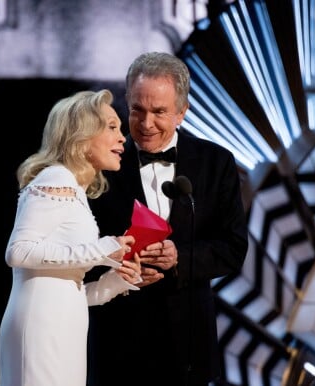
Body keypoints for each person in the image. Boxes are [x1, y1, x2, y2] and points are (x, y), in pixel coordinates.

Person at [85, 52, 249, 386]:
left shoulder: (215, 162)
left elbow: (232, 247)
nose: (146, 124)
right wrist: (117, 263)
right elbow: (79, 250)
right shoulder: (97, 166)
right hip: (118, 344)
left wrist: (181, 259)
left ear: (182, 112)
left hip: (188, 347)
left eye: (159, 112)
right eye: (137, 110)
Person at [0, 89, 143, 386]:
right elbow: (18, 252)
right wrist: (104, 249)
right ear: (82, 134)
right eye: (112, 127)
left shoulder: (72, 189)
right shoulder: (55, 178)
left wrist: (114, 283)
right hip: (41, 330)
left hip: (61, 328)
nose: (122, 138)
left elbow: (65, 290)